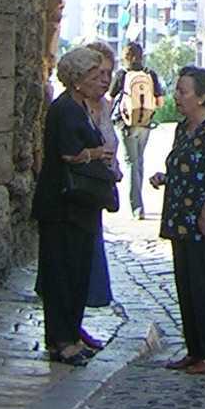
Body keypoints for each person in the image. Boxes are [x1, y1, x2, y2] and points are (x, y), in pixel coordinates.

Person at [149, 66, 205, 376]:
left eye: (183, 91)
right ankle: (196, 350)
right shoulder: (182, 128)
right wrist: (166, 177)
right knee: (186, 283)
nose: (177, 96)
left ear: (202, 97)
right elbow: (185, 164)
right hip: (180, 218)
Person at [31, 44, 117, 366]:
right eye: (95, 75)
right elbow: (69, 153)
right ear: (78, 79)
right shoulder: (66, 108)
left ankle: (71, 334)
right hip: (62, 205)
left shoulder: (81, 106)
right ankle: (61, 340)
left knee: (78, 271)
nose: (101, 81)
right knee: (62, 274)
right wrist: (99, 154)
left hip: (80, 206)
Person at [82, 39, 124, 336]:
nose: (105, 79)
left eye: (109, 72)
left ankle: (77, 326)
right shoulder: (75, 107)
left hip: (97, 192)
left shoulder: (106, 107)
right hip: (78, 191)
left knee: (90, 258)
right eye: (99, 73)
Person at [109, 40, 163, 219]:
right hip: (145, 124)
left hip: (125, 124)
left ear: (125, 57)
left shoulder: (122, 75)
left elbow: (110, 98)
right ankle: (139, 203)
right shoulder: (150, 74)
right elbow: (160, 102)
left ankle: (137, 208)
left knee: (131, 162)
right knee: (139, 161)